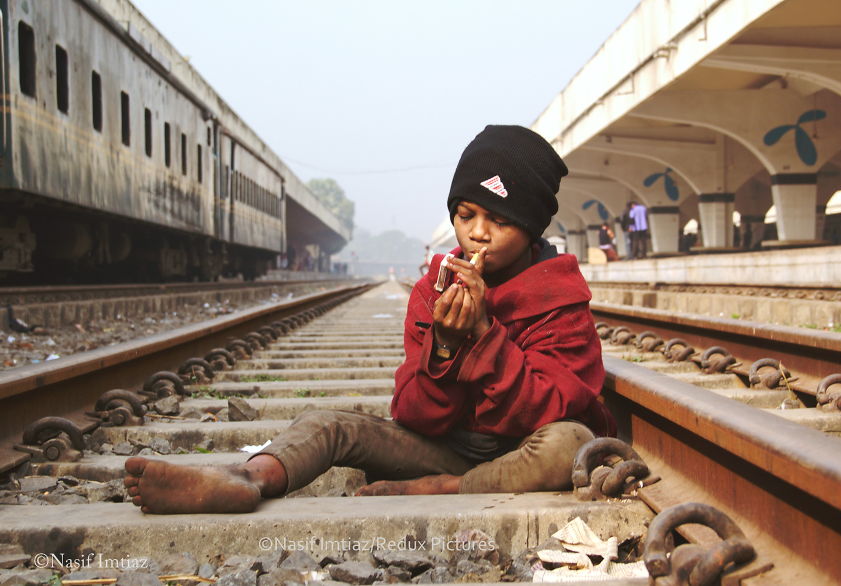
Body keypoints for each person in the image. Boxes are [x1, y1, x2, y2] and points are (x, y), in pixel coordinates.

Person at [123, 125, 615, 514]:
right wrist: (445, 343)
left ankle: (445, 488)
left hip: (520, 452)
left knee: (571, 442)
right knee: (326, 424)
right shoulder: (432, 290)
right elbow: (415, 416)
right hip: (447, 446)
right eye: (466, 215)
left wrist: (485, 335)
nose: (477, 234)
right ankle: (247, 478)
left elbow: (545, 412)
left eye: (500, 221)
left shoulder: (559, 299)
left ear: (530, 228)